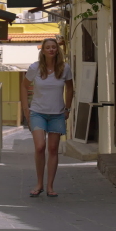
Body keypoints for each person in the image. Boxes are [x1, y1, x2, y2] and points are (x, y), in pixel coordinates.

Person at [21, 37, 74, 198]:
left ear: (57, 50)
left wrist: (68, 108)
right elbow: (24, 86)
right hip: (38, 112)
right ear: (43, 51)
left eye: (53, 47)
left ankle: (50, 186)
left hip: (57, 114)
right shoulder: (35, 68)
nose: (51, 50)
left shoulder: (64, 68)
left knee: (53, 149)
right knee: (40, 147)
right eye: (48, 47)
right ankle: (39, 183)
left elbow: (70, 88)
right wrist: (26, 109)